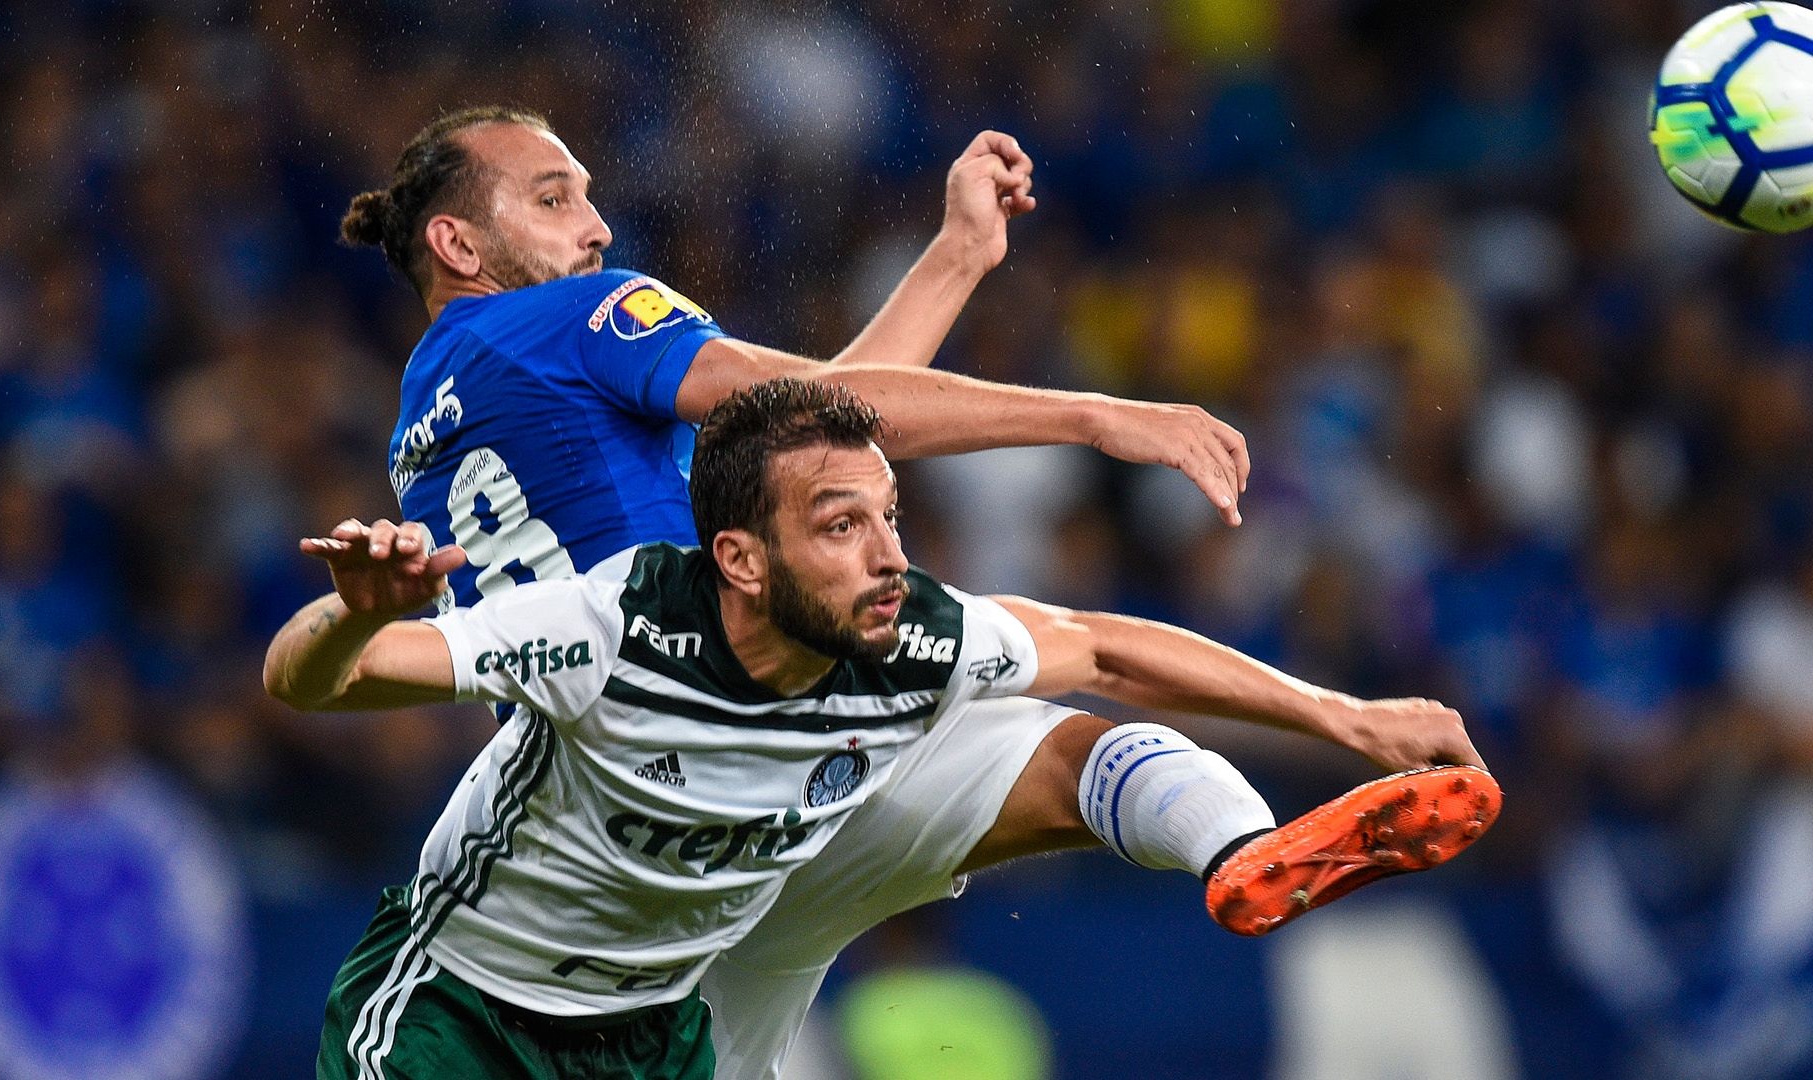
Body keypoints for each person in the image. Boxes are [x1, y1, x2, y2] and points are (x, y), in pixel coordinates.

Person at [334, 106, 1488, 1078]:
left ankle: (1247, 853)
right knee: (1077, 742)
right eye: (553, 199)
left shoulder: (427, 426)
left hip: (644, 838)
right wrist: (1098, 413)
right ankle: (1234, 846)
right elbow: (826, 422)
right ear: (458, 242)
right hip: (763, 723)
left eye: (589, 197)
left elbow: (817, 438)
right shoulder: (570, 320)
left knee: (1055, 707)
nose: (595, 225)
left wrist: (956, 258)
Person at [266, 378, 1501, 1080]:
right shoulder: (611, 627)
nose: (889, 555)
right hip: (467, 1014)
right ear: (741, 560)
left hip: (654, 1028)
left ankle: (1239, 852)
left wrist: (1347, 716)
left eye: (891, 516)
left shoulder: (910, 635)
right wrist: (350, 612)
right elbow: (313, 680)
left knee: (1065, 731)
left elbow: (1106, 645)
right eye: (842, 526)